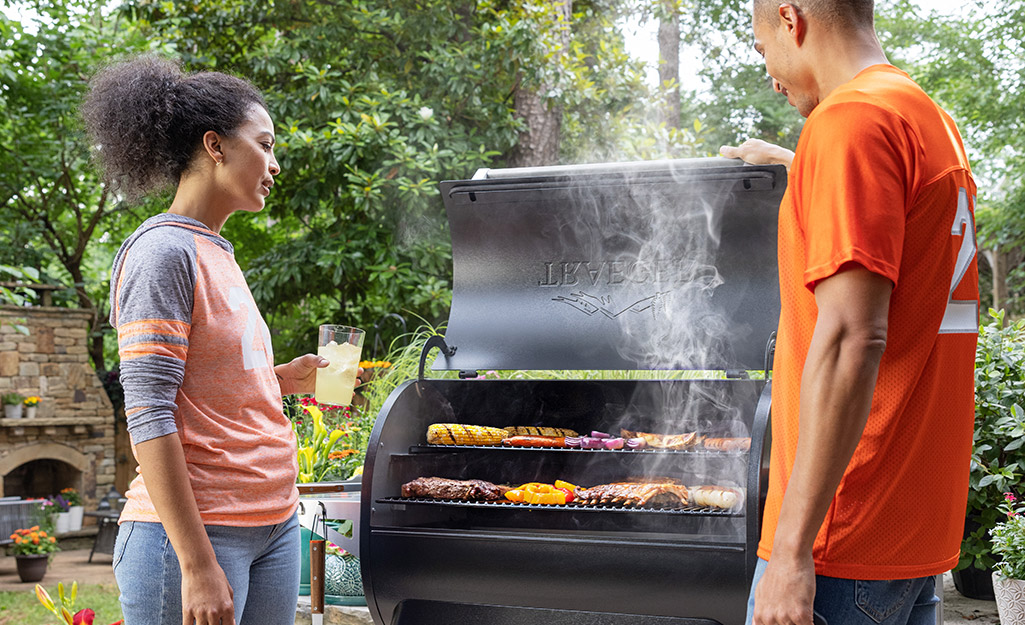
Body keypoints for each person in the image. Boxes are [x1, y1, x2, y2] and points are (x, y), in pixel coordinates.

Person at [720, 2, 979, 624]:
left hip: (842, 531)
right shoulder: (920, 115)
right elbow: (908, 240)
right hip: (908, 527)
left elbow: (852, 338)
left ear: (791, 19)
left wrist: (790, 551)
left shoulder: (850, 124)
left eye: (761, 50)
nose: (770, 74)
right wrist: (796, 163)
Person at [82, 56, 338, 625]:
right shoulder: (161, 252)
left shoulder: (216, 251)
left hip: (271, 526)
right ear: (215, 146)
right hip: (197, 537)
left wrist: (281, 380)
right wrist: (197, 564)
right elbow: (148, 410)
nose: (275, 164)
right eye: (265, 144)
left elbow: (203, 387)